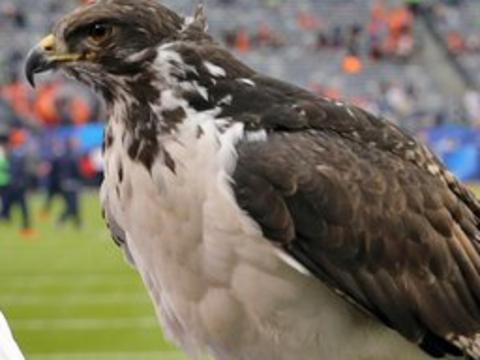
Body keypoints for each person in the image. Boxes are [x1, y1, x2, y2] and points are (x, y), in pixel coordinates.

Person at [57, 138, 82, 228]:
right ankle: (60, 221)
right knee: (72, 205)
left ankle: (78, 223)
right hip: (72, 183)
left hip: (64, 183)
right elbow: (77, 171)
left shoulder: (62, 156)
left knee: (73, 204)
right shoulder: (73, 156)